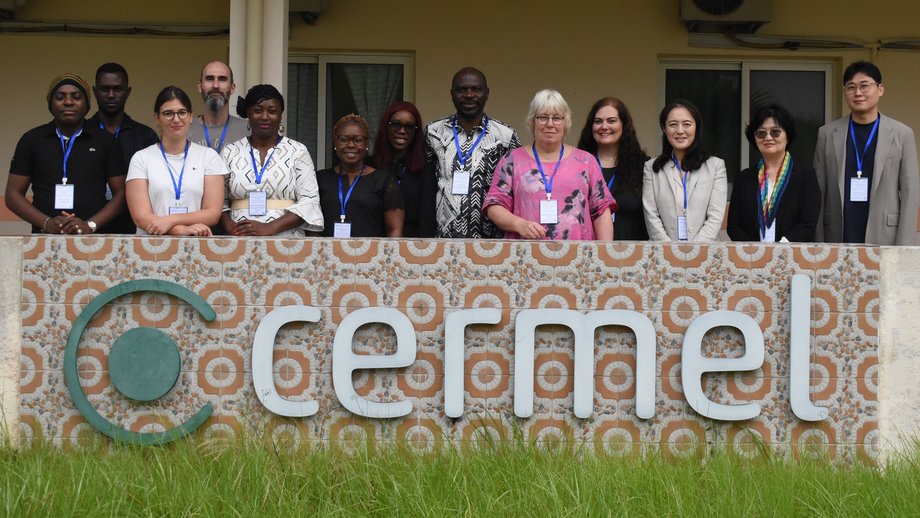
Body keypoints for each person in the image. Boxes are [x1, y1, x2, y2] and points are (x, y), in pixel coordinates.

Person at [483, 89, 615, 240]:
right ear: (532, 121)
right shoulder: (512, 160)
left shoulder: (586, 161)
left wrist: (605, 256)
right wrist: (520, 224)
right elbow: (494, 206)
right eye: (543, 117)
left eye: (557, 118)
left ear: (565, 123)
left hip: (579, 258)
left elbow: (602, 213)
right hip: (524, 257)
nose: (550, 124)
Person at [814, 61, 919, 245]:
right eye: (851, 87)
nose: (858, 93)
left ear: (880, 89)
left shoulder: (902, 134)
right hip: (838, 234)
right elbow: (818, 191)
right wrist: (819, 242)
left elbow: (911, 192)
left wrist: (905, 246)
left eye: (865, 86)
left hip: (886, 236)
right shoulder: (827, 133)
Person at [6, 73, 126, 234]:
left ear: (87, 104)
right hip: (44, 237)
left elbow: (122, 194)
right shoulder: (32, 140)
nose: (68, 102)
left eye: (76, 97)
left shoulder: (105, 141)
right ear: (51, 103)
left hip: (93, 239)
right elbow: (13, 195)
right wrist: (47, 223)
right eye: (60, 97)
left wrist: (90, 225)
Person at [426, 67, 521, 238]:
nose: (469, 95)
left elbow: (516, 188)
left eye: (476, 89)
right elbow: (424, 185)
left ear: (487, 93)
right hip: (442, 240)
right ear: (452, 94)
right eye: (462, 89)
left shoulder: (505, 136)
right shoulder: (434, 133)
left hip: (491, 241)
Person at [220, 84, 323, 237]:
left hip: (287, 239)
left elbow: (309, 200)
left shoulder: (297, 151)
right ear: (248, 113)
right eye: (257, 110)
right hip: (239, 238)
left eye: (272, 111)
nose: (265, 116)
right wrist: (232, 227)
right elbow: (217, 201)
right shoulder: (230, 152)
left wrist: (269, 228)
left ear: (281, 115)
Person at [126, 86, 227, 236]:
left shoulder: (209, 157)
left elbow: (213, 213)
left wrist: (170, 220)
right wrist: (181, 230)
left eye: (182, 112)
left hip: (195, 245)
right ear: (157, 118)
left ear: (191, 116)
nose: (176, 119)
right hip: (150, 248)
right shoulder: (141, 158)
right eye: (168, 114)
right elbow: (141, 217)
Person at [728, 104, 820, 242]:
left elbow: (808, 223)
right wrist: (752, 250)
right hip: (751, 259)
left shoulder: (805, 176)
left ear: (787, 135)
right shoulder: (744, 178)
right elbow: (734, 226)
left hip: (792, 256)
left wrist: (782, 248)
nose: (768, 137)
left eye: (775, 132)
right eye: (761, 133)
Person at [89, 62, 160, 233]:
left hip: (134, 226)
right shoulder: (83, 134)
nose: (111, 94)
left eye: (118, 89)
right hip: (88, 224)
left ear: (128, 92)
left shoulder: (146, 136)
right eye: (105, 89)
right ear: (94, 91)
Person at [643, 99, 726, 241]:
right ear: (664, 128)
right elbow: (651, 215)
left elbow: (715, 216)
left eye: (687, 124)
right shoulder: (651, 167)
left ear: (696, 127)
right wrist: (669, 251)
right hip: (662, 253)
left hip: (705, 253)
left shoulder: (715, 166)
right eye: (673, 125)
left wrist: (695, 251)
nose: (680, 131)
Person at [316, 114, 404, 237]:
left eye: (358, 140)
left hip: (372, 255)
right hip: (326, 254)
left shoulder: (384, 180)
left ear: (366, 143)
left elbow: (394, 230)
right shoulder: (320, 179)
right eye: (343, 139)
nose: (351, 145)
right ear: (335, 142)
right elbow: (312, 226)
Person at [576, 97, 649, 240]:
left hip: (632, 255)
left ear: (624, 125)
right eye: (598, 121)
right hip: (587, 255)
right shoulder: (577, 165)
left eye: (611, 121)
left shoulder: (643, 167)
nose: (604, 126)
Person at [371, 101, 436, 237]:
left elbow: (427, 219)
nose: (402, 131)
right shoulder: (370, 166)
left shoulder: (425, 168)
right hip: (374, 243)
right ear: (386, 127)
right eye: (396, 124)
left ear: (416, 131)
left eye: (409, 127)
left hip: (413, 245)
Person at [188, 61, 248, 155]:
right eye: (209, 79)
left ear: (232, 88)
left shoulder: (247, 130)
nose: (215, 85)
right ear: (200, 86)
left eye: (222, 79)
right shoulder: (185, 129)